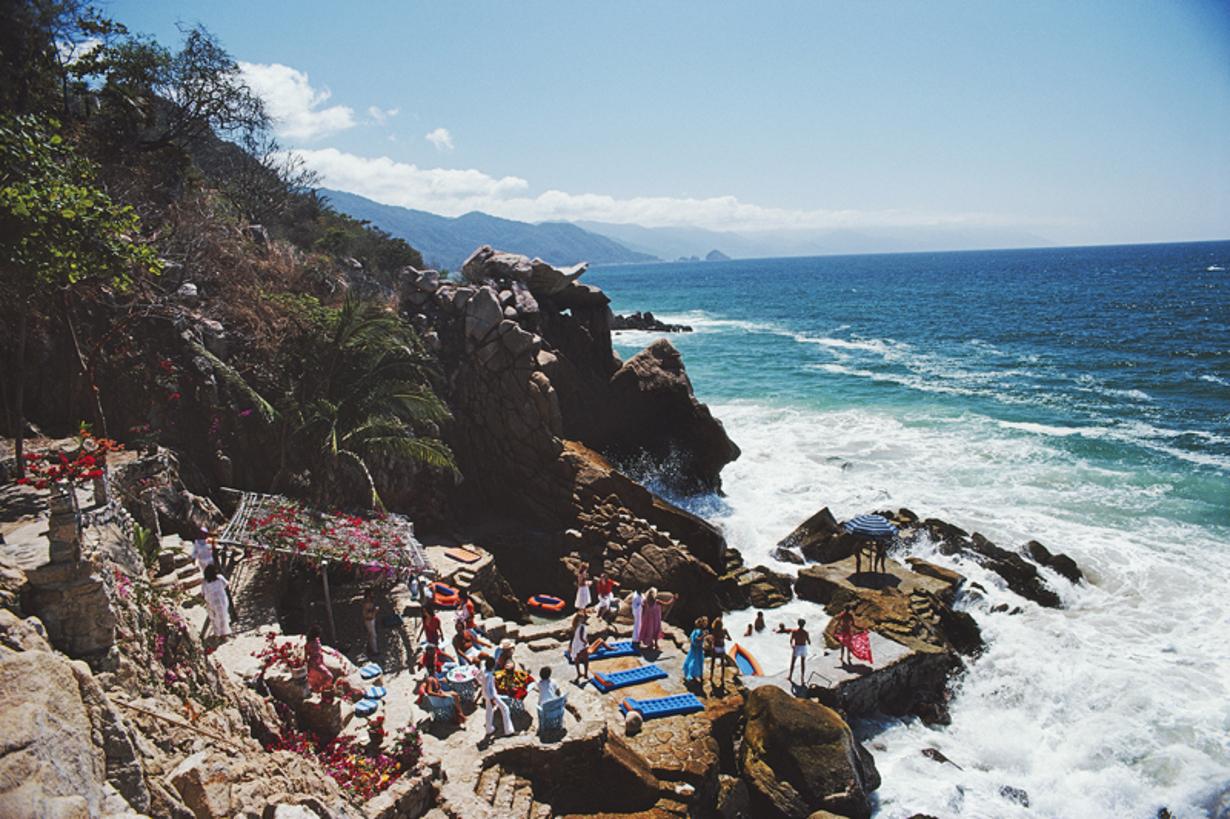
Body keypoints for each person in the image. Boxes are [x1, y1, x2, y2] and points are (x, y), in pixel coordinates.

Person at [482, 655, 514, 740]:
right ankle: (508, 730)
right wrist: (492, 699)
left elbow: (478, 677)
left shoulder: (483, 671)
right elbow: (489, 688)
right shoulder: (489, 675)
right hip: (492, 695)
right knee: (505, 708)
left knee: (489, 711)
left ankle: (489, 729)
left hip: (485, 694)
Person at [201, 564, 231, 639]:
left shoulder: (205, 582)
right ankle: (224, 634)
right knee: (223, 616)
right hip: (222, 600)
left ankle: (217, 634)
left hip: (212, 602)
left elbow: (203, 592)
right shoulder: (219, 578)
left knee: (215, 618)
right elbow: (226, 584)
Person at [305, 624, 334, 692]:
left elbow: (319, 648)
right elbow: (306, 654)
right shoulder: (309, 644)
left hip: (320, 661)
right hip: (315, 664)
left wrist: (326, 652)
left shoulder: (317, 640)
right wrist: (306, 665)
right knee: (329, 676)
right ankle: (324, 690)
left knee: (322, 678)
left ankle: (323, 690)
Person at [682, 616, 708, 683]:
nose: (707, 623)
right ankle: (694, 674)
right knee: (696, 662)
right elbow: (697, 639)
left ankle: (691, 674)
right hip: (697, 649)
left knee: (691, 659)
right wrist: (704, 635)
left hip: (693, 648)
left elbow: (692, 639)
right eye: (705, 622)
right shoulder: (700, 632)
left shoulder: (696, 630)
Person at [709, 616, 732, 688]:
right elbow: (730, 639)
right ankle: (722, 677)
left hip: (715, 648)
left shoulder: (714, 630)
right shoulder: (724, 630)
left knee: (713, 662)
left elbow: (712, 639)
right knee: (722, 663)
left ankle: (711, 676)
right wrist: (725, 637)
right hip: (721, 648)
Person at [788, 618, 811, 686]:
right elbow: (809, 642)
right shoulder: (806, 632)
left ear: (798, 624)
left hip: (797, 647)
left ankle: (790, 676)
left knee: (793, 662)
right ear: (804, 625)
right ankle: (802, 678)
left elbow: (791, 640)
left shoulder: (794, 632)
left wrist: (792, 646)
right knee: (802, 663)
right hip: (803, 647)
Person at [569, 611, 590, 682]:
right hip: (581, 644)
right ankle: (586, 674)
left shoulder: (576, 625)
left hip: (576, 644)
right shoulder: (582, 627)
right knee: (586, 659)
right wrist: (586, 642)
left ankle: (578, 673)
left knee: (576, 659)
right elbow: (581, 637)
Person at [362, 589, 379, 656]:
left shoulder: (369, 602)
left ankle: (369, 649)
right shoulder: (366, 603)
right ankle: (375, 651)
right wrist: (375, 611)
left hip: (371, 620)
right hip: (369, 620)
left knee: (370, 635)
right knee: (373, 635)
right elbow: (367, 614)